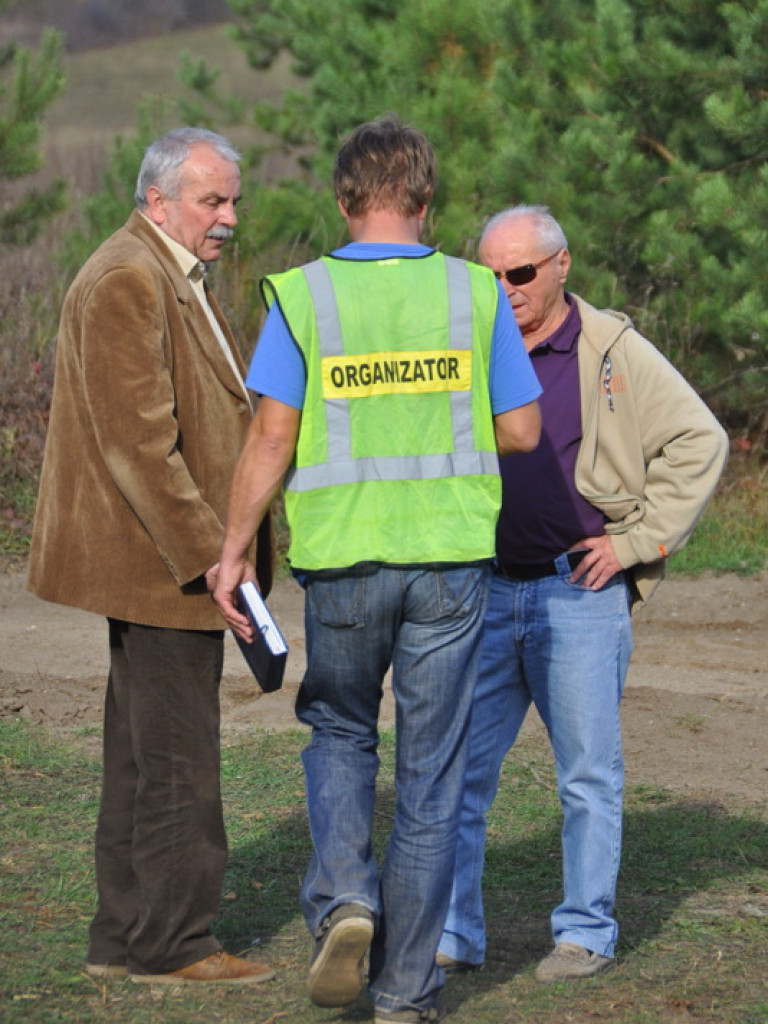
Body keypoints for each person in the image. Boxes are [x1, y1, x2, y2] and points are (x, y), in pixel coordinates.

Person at [213, 117, 542, 1023]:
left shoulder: (305, 297)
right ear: (426, 200)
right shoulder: (475, 295)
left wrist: (234, 549)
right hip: (451, 563)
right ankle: (405, 990)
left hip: (345, 564)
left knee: (343, 734)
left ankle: (346, 898)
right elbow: (521, 430)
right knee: (432, 773)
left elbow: (271, 436)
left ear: (344, 199)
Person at [437, 204, 729, 983]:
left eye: (521, 273)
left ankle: (585, 934)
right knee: (461, 769)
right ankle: (454, 933)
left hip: (580, 590)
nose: (505, 289)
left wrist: (635, 544)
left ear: (562, 266)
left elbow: (702, 441)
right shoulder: (465, 345)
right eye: (490, 275)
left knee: (588, 775)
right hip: (485, 590)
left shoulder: (614, 350)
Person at [27, 127, 274, 985]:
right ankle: (174, 945)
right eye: (213, 200)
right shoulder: (130, 277)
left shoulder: (157, 268)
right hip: (163, 566)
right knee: (176, 760)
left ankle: (122, 940)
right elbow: (140, 446)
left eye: (233, 199)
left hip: (155, 562)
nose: (230, 217)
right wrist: (216, 556)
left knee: (140, 756)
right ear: (158, 200)